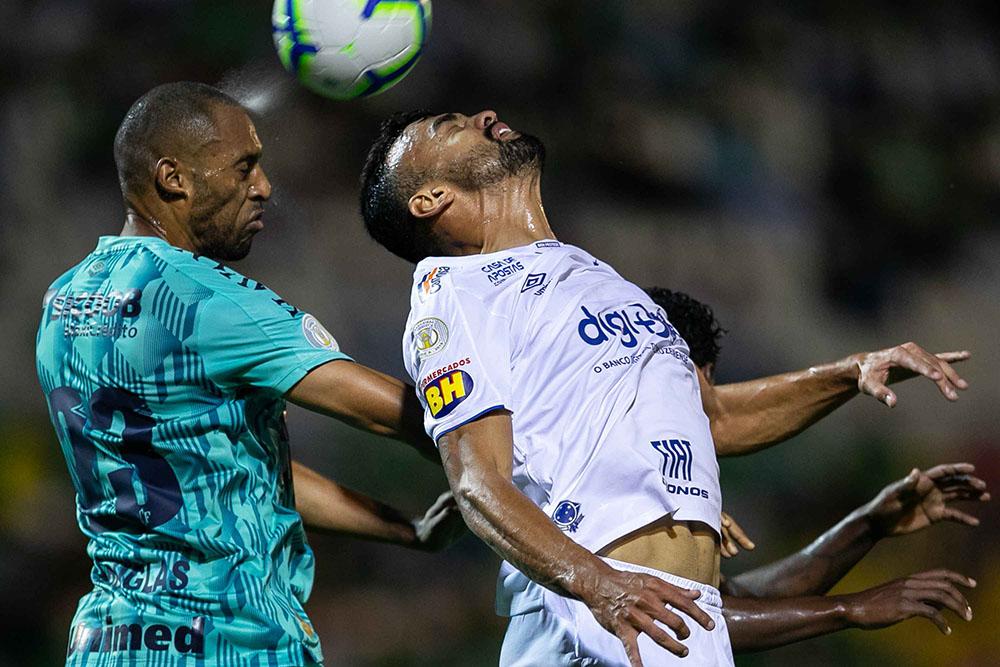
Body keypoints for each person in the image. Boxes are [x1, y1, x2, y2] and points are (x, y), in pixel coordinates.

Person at [357, 109, 972, 666]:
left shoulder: (596, 278)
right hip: (594, 618)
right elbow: (475, 480)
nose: (483, 114)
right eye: (449, 125)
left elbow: (717, 420)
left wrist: (846, 375)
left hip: (670, 616)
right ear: (430, 198)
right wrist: (598, 585)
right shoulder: (457, 290)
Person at [35, 82, 464, 666]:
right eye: (244, 168)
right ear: (174, 179)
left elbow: (234, 472)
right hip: (227, 637)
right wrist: (512, 448)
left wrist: (405, 529)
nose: (263, 187)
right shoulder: (203, 300)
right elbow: (399, 414)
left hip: (110, 640)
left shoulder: (64, 300)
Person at [646, 287, 988, 651]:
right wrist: (847, 609)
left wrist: (867, 525)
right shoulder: (609, 479)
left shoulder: (655, 475)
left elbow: (735, 598)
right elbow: (687, 618)